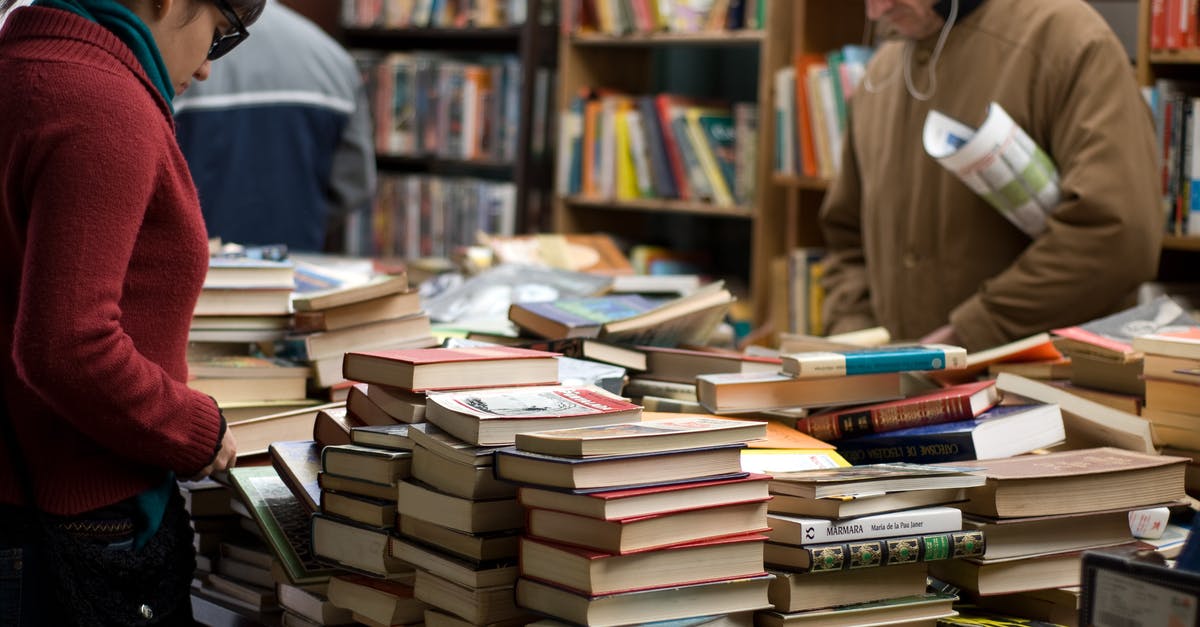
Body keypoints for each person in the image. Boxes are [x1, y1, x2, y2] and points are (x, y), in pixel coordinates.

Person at [0, 0, 263, 623]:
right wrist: (196, 430)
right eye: (219, 36)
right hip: (71, 515)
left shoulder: (23, 66)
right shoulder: (101, 102)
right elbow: (68, 345)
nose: (203, 70)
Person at [819, 0, 1163, 351]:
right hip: (897, 390)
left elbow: (1117, 234)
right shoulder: (881, 74)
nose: (876, 12)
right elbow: (847, 241)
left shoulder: (1065, 40)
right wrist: (854, 343)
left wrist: (974, 331)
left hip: (1043, 387)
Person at [174, 0, 376, 254]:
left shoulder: (180, 56)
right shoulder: (334, 61)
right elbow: (354, 185)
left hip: (197, 269)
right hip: (293, 269)